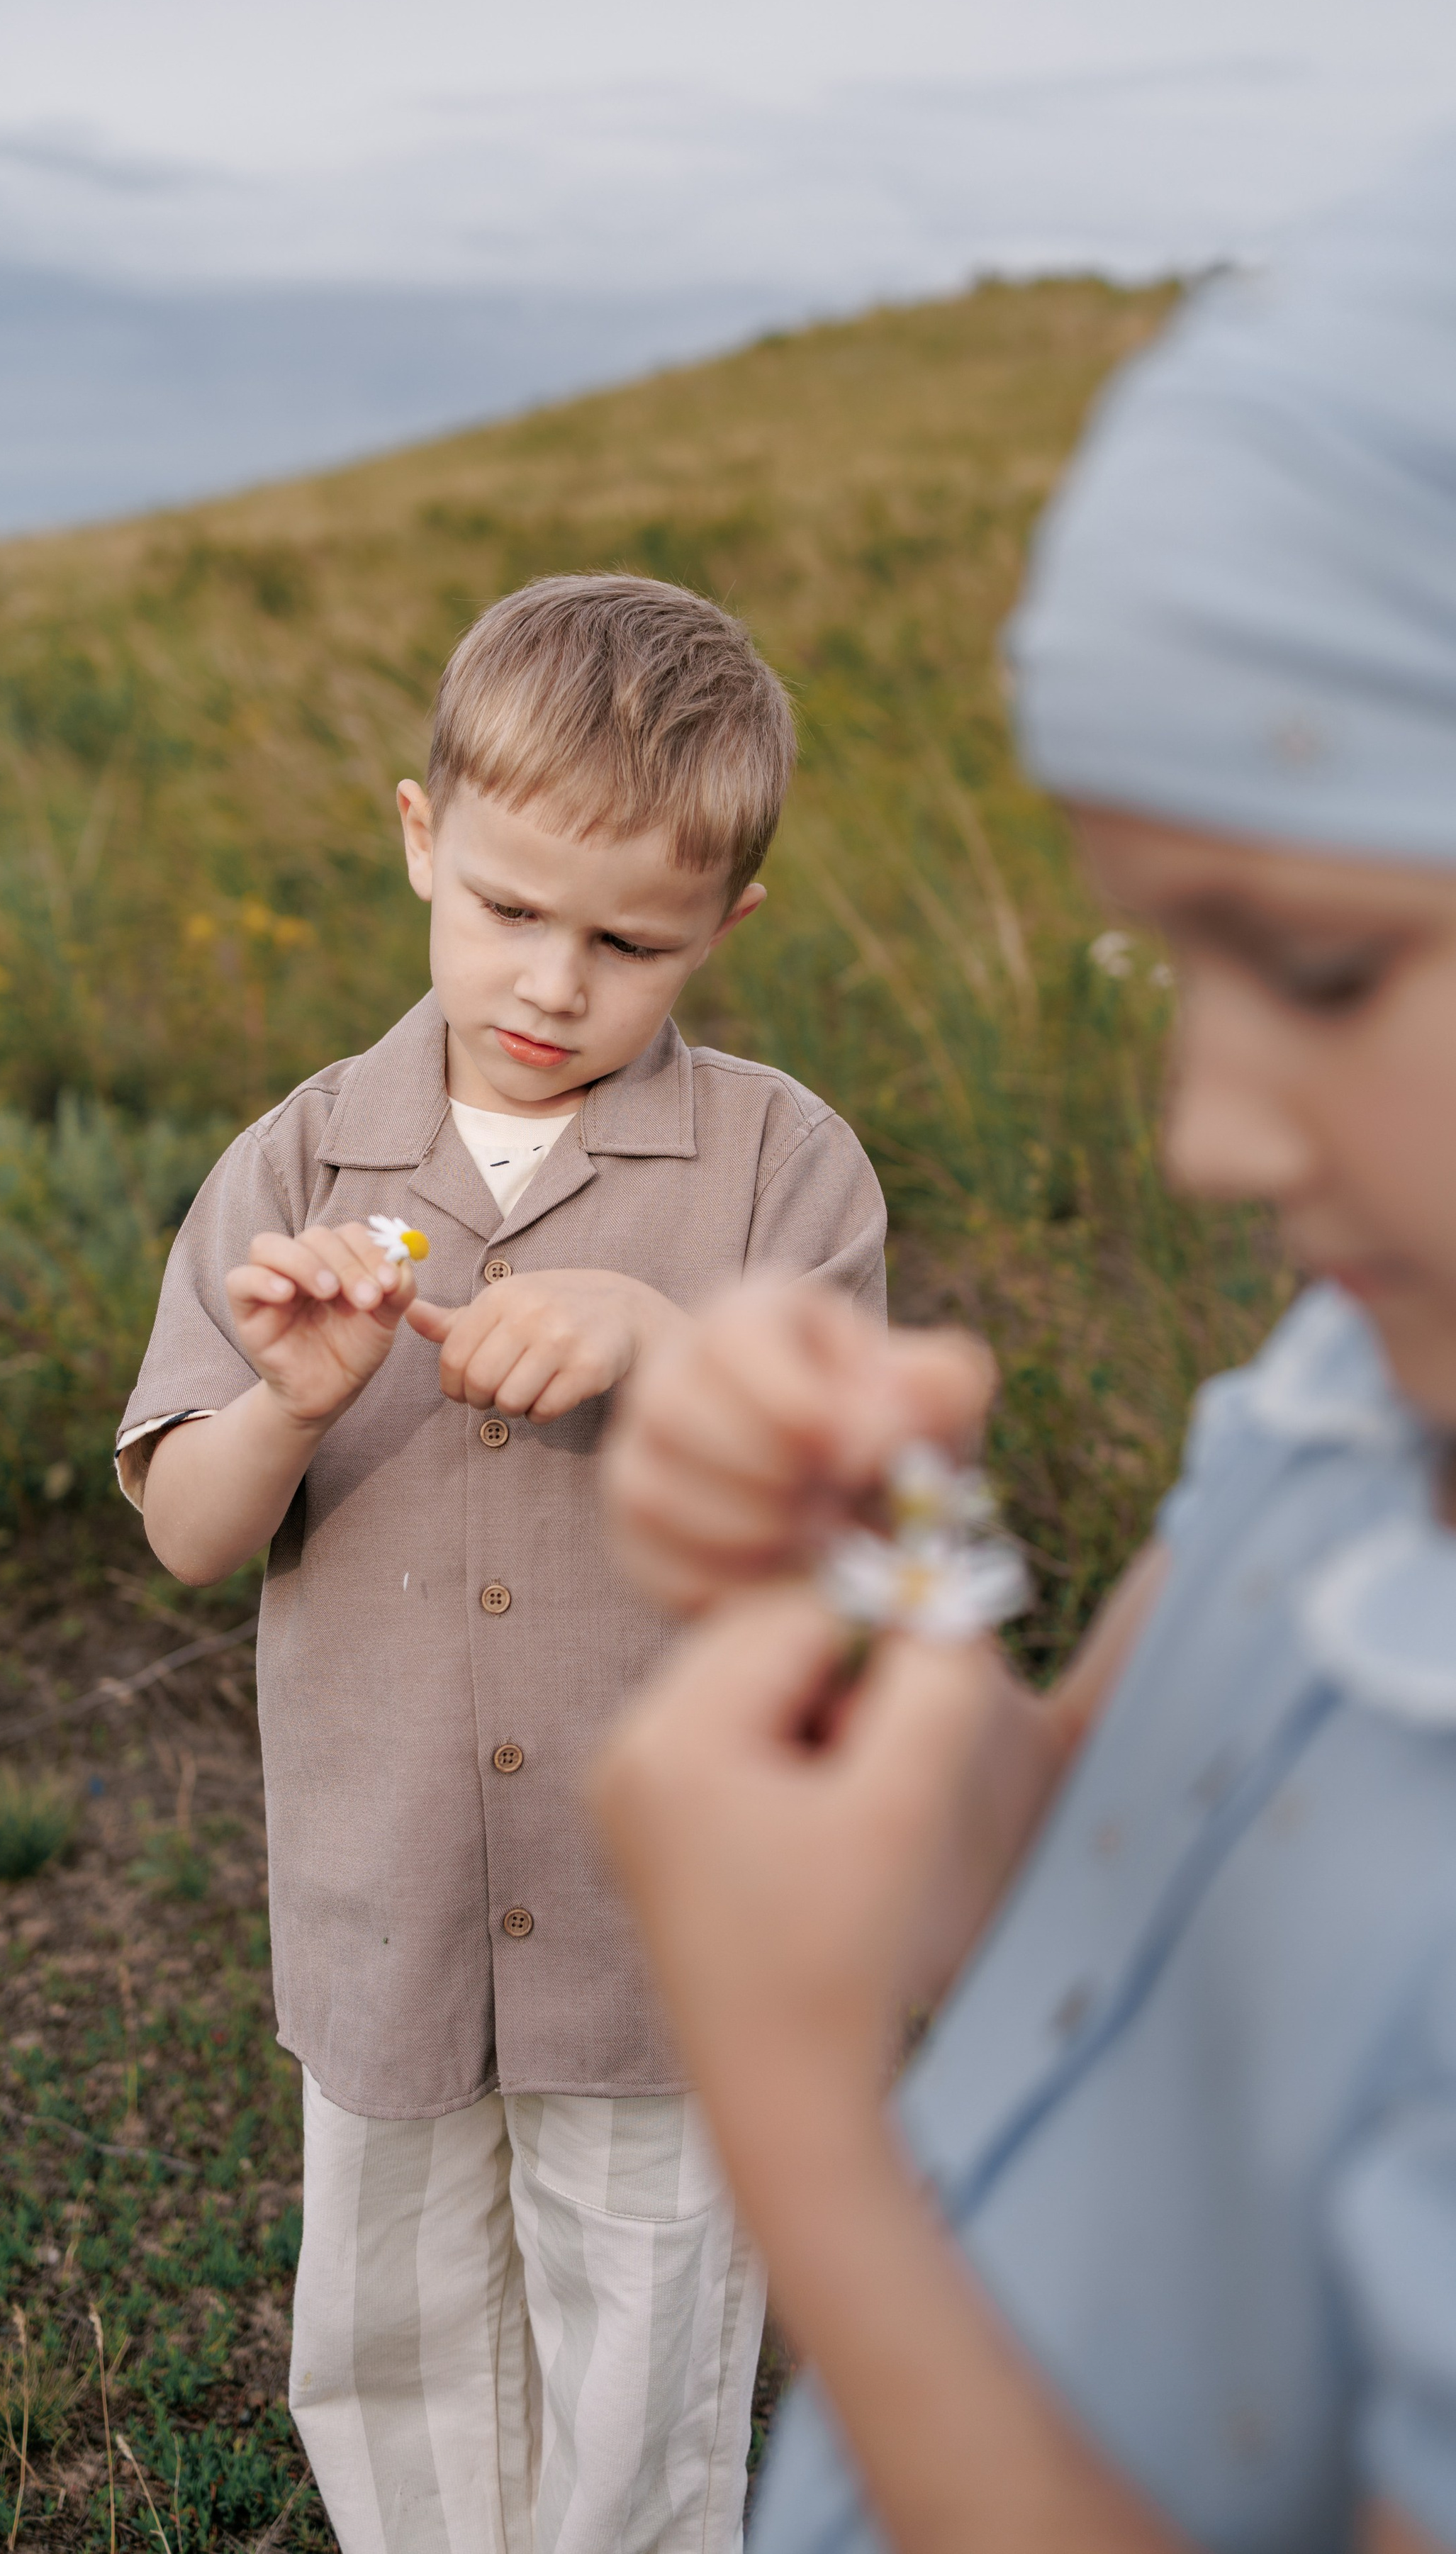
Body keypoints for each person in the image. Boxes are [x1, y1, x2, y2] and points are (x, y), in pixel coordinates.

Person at [591, 142, 1456, 2554]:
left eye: (1311, 968)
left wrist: (794, 2120)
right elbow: (1076, 1875)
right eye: (1163, 962)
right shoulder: (1355, 1384)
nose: (1202, 1130)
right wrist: (873, 1588)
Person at [116, 573, 887, 2554]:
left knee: (646, 2361)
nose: (553, 982)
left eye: (628, 941)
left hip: (660, 1934)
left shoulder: (779, 1169)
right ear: (418, 843)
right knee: (400, 2352)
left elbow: (856, 1515)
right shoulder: (300, 1164)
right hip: (390, 1917)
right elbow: (192, 1533)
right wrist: (283, 1406)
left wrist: (670, 1352)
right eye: (506, 910)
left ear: (727, 927)